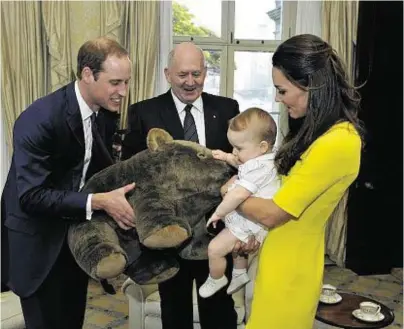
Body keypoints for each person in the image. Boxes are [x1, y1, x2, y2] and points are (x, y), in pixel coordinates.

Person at [219, 34, 364, 329]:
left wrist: (231, 192)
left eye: (281, 90)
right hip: (274, 258)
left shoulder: (339, 142)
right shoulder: (319, 135)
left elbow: (274, 212)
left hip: (290, 270)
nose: (277, 98)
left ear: (310, 84)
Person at [1, 36, 136, 329]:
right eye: (115, 82)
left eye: (126, 82)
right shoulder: (40, 119)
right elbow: (31, 196)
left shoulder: (105, 115)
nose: (123, 92)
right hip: (36, 243)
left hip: (73, 240)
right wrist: (98, 202)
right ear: (87, 74)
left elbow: (92, 172)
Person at [121, 42, 240, 329]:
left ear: (205, 73)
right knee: (174, 309)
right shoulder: (143, 113)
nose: (190, 82)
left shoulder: (227, 109)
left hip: (216, 229)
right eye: (183, 75)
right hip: (169, 234)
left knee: (220, 308)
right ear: (167, 74)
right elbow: (132, 173)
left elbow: (241, 166)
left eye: (197, 74)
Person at [199, 108, 280, 298]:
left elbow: (236, 196)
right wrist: (226, 157)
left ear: (262, 146)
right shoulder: (264, 160)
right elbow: (242, 164)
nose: (234, 152)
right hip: (253, 221)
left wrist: (218, 213)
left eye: (239, 148)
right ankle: (239, 273)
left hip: (251, 223)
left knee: (215, 249)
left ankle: (216, 278)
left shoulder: (259, 168)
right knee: (238, 249)